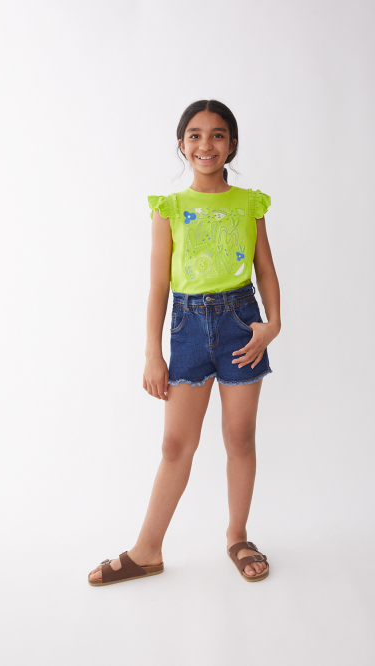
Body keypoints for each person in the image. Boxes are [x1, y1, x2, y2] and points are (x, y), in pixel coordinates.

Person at [88, 99, 282, 587]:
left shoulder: (249, 204)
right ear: (181, 144)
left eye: (217, 135)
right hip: (188, 328)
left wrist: (273, 323)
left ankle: (237, 537)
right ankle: (146, 550)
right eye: (195, 135)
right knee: (176, 444)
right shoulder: (169, 208)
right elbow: (158, 286)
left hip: (241, 324)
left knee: (240, 436)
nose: (206, 144)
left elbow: (264, 268)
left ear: (232, 145)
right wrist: (153, 353)